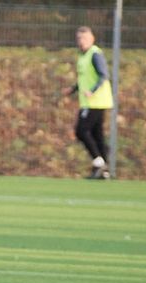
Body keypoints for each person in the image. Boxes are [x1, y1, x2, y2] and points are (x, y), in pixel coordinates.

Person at [62, 26, 113, 180]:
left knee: (81, 131)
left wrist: (92, 91)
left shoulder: (95, 54)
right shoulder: (82, 56)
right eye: (79, 38)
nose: (81, 41)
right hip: (90, 101)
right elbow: (84, 78)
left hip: (95, 101)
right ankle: (104, 172)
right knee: (97, 135)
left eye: (84, 38)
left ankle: (99, 162)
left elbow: (103, 75)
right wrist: (73, 89)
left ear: (92, 39)